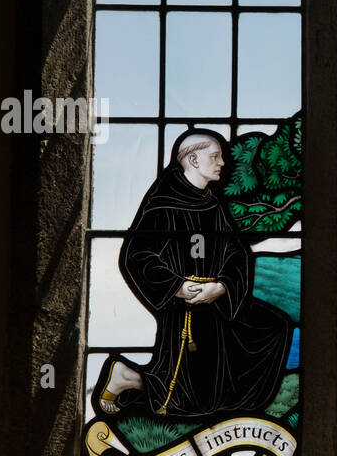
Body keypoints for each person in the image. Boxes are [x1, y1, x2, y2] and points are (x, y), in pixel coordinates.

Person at [95, 128, 293, 417]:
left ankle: (242, 407)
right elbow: (136, 256)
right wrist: (177, 286)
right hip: (185, 307)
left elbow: (236, 253)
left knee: (273, 326)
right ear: (193, 160)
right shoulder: (164, 204)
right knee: (192, 398)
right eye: (215, 156)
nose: (223, 163)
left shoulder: (212, 204)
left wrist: (223, 286)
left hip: (217, 299)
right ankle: (128, 377)